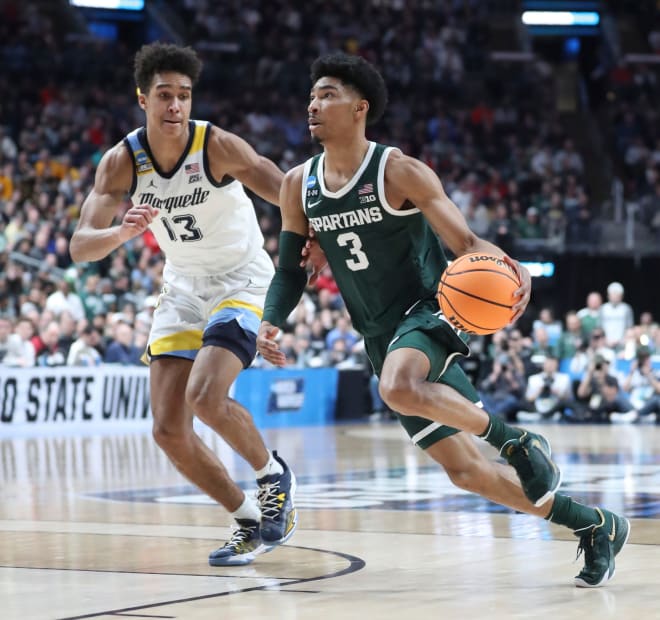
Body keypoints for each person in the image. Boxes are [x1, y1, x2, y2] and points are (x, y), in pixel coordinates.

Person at [256, 52, 629, 587]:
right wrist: (272, 320)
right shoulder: (298, 184)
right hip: (379, 331)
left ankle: (516, 440)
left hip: (432, 311)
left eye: (328, 94)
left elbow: (467, 243)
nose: (314, 104)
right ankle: (593, 525)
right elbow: (290, 270)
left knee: (398, 386)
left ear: (360, 108)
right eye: (312, 95)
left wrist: (509, 266)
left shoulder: (398, 170)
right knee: (466, 472)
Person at [70, 42, 298, 566]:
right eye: (164, 95)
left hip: (241, 279)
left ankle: (272, 476)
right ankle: (245, 521)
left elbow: (283, 188)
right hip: (182, 287)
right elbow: (81, 246)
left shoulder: (214, 144)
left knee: (205, 396)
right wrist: (119, 234)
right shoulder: (122, 161)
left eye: (184, 96)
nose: (175, 105)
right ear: (142, 99)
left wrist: (308, 245)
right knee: (168, 430)